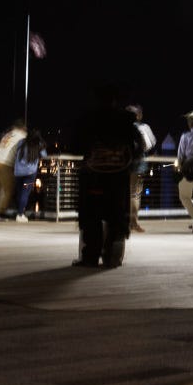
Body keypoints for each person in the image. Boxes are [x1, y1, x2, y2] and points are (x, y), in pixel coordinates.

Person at [72, 84, 145, 268]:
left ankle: (89, 255)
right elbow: (139, 145)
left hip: (93, 174)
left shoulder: (89, 118)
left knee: (90, 216)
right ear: (115, 100)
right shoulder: (126, 120)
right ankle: (113, 255)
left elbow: (76, 145)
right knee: (117, 215)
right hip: (118, 175)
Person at [0, 119, 26, 221]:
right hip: (6, 164)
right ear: (22, 128)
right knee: (7, 190)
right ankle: (0, 212)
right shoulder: (22, 136)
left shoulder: (8, 134)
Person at [127, 105, 156, 233]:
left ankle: (125, 222)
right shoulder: (144, 128)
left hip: (123, 163)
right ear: (139, 115)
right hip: (138, 163)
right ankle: (133, 222)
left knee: (125, 194)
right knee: (135, 194)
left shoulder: (122, 128)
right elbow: (150, 144)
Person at [12, 128, 48, 222]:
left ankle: (20, 212)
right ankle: (20, 214)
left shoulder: (21, 142)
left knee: (19, 193)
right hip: (30, 173)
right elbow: (44, 155)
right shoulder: (38, 144)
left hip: (18, 172)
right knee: (25, 193)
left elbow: (16, 153)